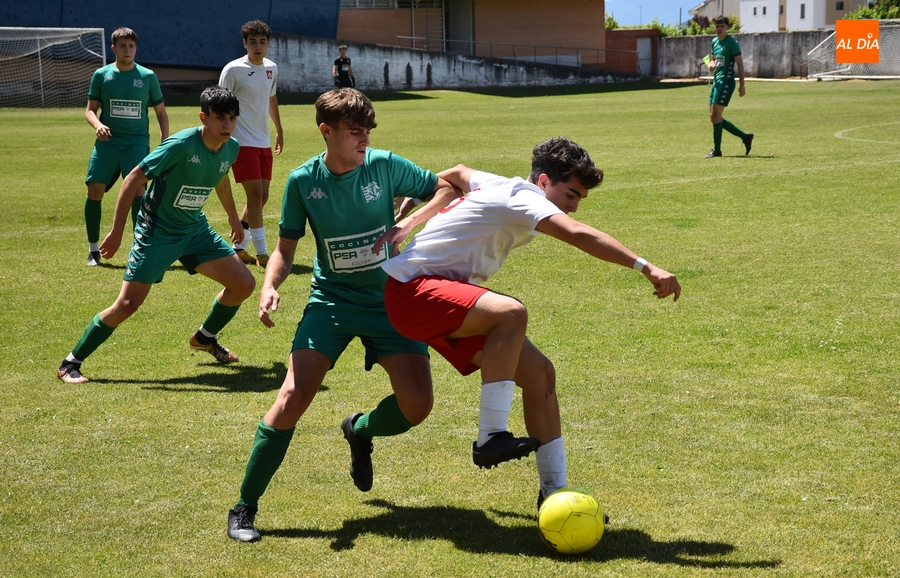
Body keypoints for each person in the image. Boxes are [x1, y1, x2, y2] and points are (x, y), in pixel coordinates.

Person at [378, 137, 682, 508]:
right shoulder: (523, 198)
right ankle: (490, 436)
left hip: (439, 297)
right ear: (543, 181)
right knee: (510, 312)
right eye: (570, 194)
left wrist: (412, 208)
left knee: (539, 374)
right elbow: (578, 233)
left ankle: (555, 492)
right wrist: (646, 267)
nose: (573, 206)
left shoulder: (500, 184)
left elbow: (456, 173)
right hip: (411, 293)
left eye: (580, 199)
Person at [226, 88, 469, 543]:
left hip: (392, 300)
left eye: (368, 130)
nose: (365, 139)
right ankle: (244, 507)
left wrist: (408, 222)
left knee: (417, 406)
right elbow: (285, 247)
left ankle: (359, 429)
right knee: (293, 395)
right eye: (355, 131)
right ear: (327, 131)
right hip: (332, 302)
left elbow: (447, 187)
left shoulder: (385, 164)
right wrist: (270, 284)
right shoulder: (303, 181)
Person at [57, 86, 256, 384]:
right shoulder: (180, 145)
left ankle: (204, 338)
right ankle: (70, 363)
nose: (227, 124)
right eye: (220, 118)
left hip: (195, 230)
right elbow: (132, 179)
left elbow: (221, 178)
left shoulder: (231, 147)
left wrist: (233, 218)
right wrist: (117, 232)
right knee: (127, 304)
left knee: (243, 284)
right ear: (203, 117)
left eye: (232, 118)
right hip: (157, 232)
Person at [83, 27, 169, 267]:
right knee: (94, 191)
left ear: (136, 49)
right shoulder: (101, 75)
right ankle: (93, 251)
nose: (127, 50)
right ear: (114, 48)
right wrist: (98, 125)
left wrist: (165, 142)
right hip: (108, 143)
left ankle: (139, 249)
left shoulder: (148, 76)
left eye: (131, 46)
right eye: (122, 46)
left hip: (136, 142)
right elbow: (90, 110)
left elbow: (161, 113)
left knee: (138, 190)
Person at [219, 20, 285, 268]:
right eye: (253, 42)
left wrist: (279, 129)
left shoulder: (271, 68)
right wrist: (222, 137)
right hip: (241, 141)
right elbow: (219, 104)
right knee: (256, 194)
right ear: (244, 43)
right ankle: (262, 252)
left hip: (263, 140)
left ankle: (238, 248)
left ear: (268, 44)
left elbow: (271, 98)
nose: (258, 46)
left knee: (262, 196)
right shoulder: (233, 70)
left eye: (262, 42)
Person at [705, 15, 753, 158]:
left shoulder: (732, 43)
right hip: (717, 82)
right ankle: (745, 137)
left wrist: (742, 85)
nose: (719, 29)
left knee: (716, 115)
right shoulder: (714, 42)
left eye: (722, 26)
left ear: (727, 27)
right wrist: (710, 64)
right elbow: (712, 60)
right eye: (717, 26)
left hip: (726, 82)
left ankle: (717, 150)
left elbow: (740, 64)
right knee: (714, 116)